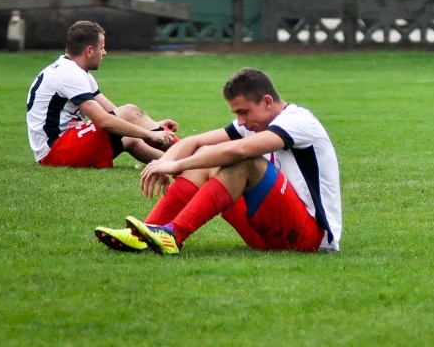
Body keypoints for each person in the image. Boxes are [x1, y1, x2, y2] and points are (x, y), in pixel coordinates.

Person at [94, 67, 342, 254]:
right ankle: (144, 234)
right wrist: (163, 163)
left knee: (244, 161)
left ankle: (174, 234)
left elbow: (240, 150)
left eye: (244, 112)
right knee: (205, 159)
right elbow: (194, 143)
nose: (241, 121)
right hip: (269, 233)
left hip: (312, 237)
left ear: (267, 102)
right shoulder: (254, 123)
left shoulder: (299, 122)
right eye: (237, 114)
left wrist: (177, 166)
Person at [26, 20, 177, 167]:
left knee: (131, 138)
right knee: (130, 111)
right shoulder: (69, 73)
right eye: (102, 48)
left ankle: (181, 163)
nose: (104, 53)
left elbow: (116, 114)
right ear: (90, 50)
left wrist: (153, 126)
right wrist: (150, 133)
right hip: (56, 150)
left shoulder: (73, 70)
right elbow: (105, 121)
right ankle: (189, 151)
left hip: (60, 146)